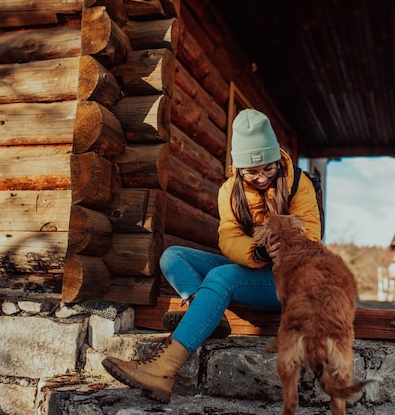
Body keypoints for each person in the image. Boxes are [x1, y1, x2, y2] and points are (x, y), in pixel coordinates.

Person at [102, 108, 322, 402]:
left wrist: (288, 245)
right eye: (251, 172)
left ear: (277, 159)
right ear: (238, 167)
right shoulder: (229, 191)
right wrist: (256, 250)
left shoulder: (298, 184)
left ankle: (163, 369)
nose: (261, 178)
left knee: (222, 277)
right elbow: (228, 236)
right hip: (251, 265)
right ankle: (206, 315)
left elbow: (312, 238)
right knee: (172, 257)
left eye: (268, 169)